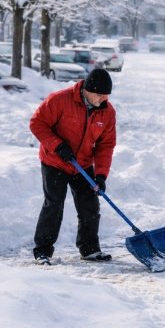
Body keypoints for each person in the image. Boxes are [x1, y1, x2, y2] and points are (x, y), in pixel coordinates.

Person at [29, 68, 117, 265]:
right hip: (55, 161)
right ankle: (43, 251)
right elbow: (37, 123)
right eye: (100, 95)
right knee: (54, 204)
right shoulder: (60, 100)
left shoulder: (107, 112)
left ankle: (90, 249)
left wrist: (101, 175)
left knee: (90, 205)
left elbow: (106, 145)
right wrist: (57, 145)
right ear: (87, 89)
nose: (104, 99)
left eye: (107, 95)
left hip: (82, 164)